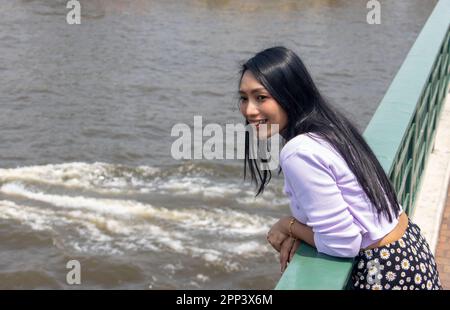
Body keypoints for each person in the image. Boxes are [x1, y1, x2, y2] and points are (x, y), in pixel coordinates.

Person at [238, 46, 442, 290]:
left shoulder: (298, 151)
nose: (249, 110)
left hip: (384, 273)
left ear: (289, 94)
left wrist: (288, 226)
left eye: (261, 97)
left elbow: (342, 243)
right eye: (244, 98)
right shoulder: (330, 127)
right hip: (410, 255)